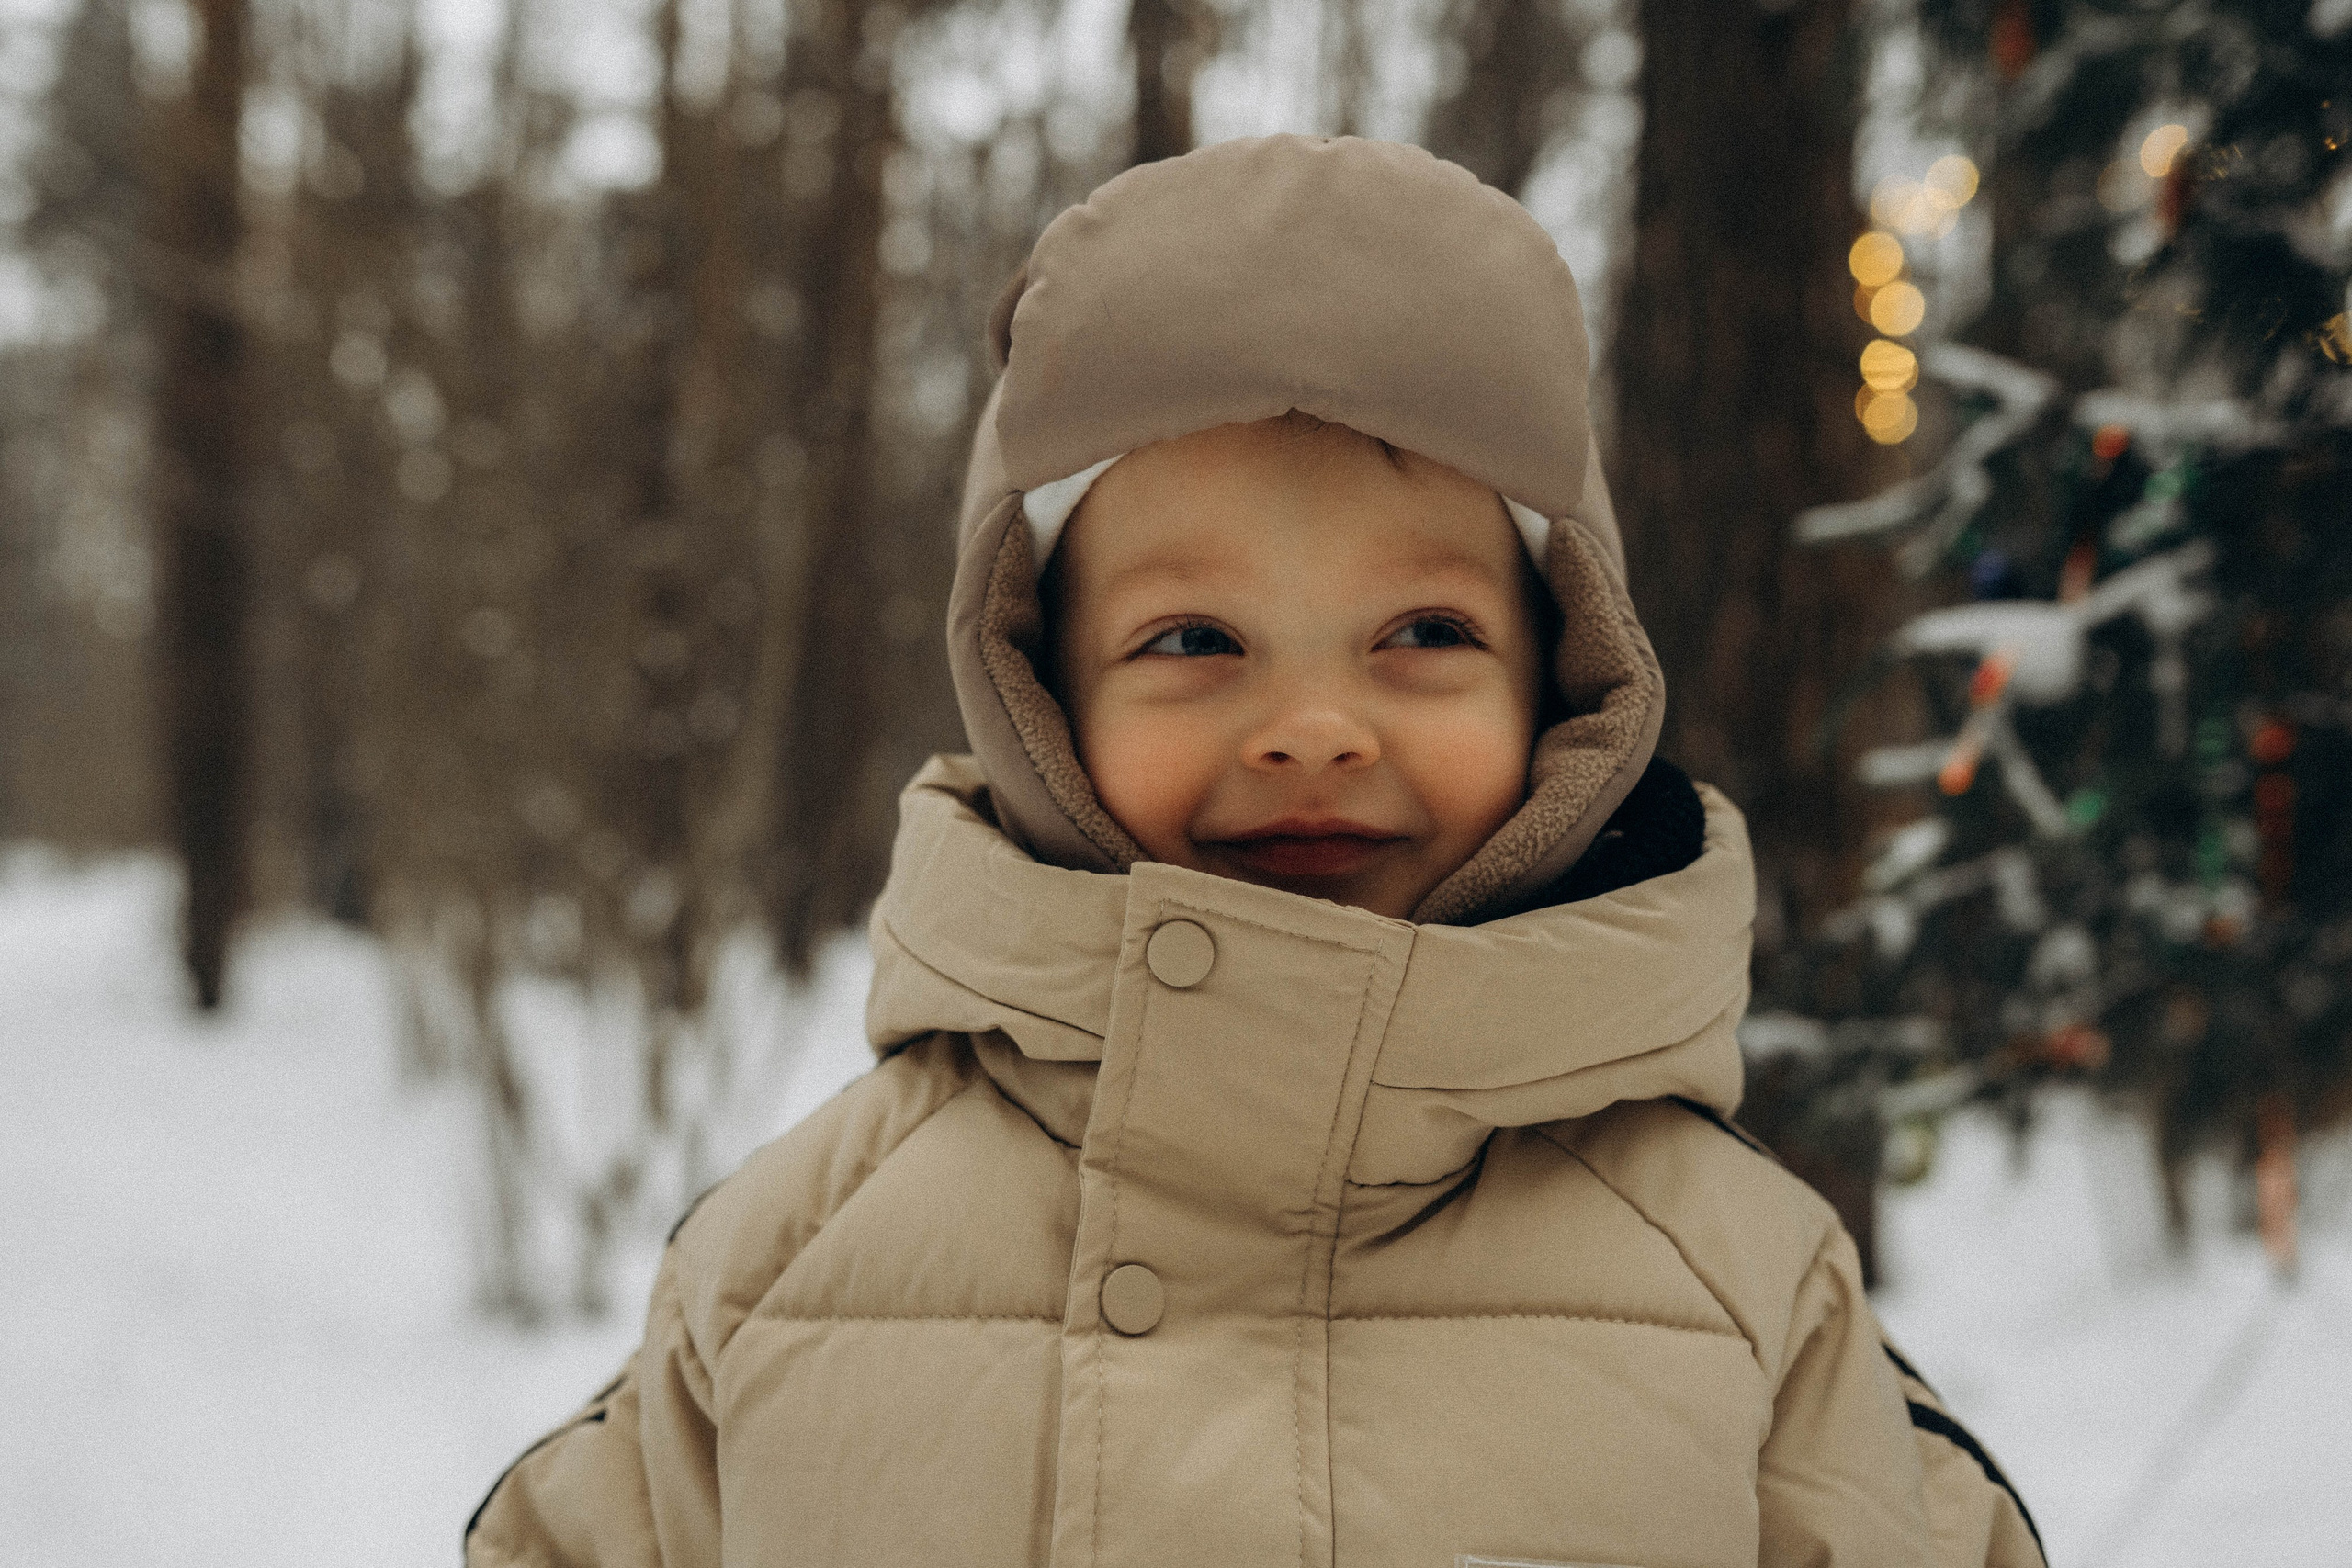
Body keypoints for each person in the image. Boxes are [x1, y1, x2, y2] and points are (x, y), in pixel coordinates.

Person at [465, 134, 2044, 1568]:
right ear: (1040, 696)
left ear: (1562, 681)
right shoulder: (789, 1267)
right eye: (1193, 637)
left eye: (1424, 631)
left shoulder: (1739, 1288)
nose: (1311, 728)